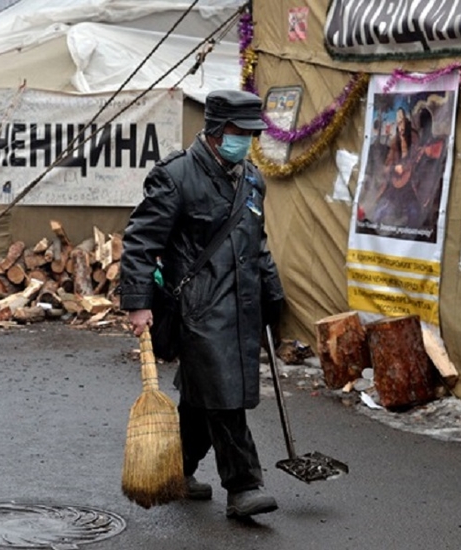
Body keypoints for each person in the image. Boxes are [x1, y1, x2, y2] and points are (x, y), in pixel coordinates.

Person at [119, 90, 284, 519]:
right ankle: (244, 485)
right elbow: (140, 242)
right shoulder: (176, 176)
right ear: (215, 131)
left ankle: (179, 468)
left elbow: (257, 243)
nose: (246, 141)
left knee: (203, 395)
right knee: (224, 394)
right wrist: (137, 303)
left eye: (251, 133)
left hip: (242, 303)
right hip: (198, 306)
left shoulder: (251, 179)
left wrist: (273, 296)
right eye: (238, 132)